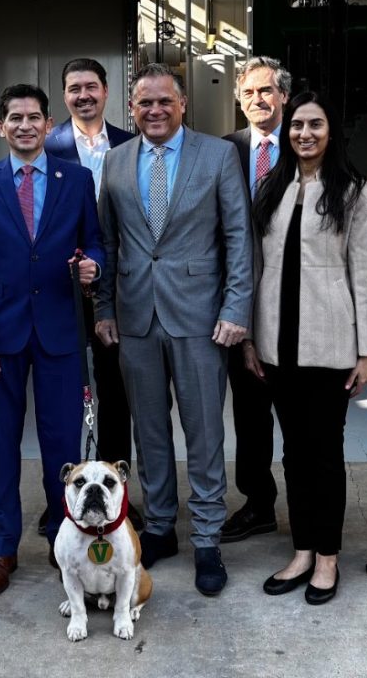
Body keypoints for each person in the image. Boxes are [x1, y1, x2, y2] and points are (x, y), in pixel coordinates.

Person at [94, 63, 252, 596]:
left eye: (164, 101)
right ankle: (160, 526)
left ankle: (207, 536)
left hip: (202, 318)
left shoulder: (218, 155)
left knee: (205, 429)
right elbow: (110, 245)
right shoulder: (115, 162)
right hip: (136, 316)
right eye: (144, 103)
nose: (154, 111)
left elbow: (238, 238)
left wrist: (236, 310)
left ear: (182, 104)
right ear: (131, 108)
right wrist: (103, 309)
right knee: (150, 431)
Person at [0, 83, 104, 596]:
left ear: (48, 125)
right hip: (0, 335)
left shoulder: (77, 180)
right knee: (2, 445)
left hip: (61, 330)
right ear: (1, 126)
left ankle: (60, 537)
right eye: (14, 117)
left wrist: (93, 267)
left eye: (34, 117)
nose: (24, 125)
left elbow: (97, 243)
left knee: (62, 446)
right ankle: (3, 547)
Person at [243, 91, 367, 605]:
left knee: (324, 454)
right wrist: (253, 338)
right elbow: (256, 269)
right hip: (278, 346)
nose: (304, 133)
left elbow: (364, 274)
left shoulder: (354, 191)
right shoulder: (270, 187)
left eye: (315, 124)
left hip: (331, 346)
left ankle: (327, 558)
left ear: (331, 131)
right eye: (297, 124)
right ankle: (301, 549)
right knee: (293, 453)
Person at [42, 57, 143, 532]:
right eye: (73, 88)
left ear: (106, 92)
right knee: (64, 395)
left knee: (115, 393)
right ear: (64, 96)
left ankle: (118, 495)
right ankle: (64, 497)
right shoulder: (45, 147)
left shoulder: (132, 143)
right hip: (61, 291)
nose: (83, 95)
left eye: (91, 86)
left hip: (119, 288)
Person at [220, 55, 291, 544]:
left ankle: (308, 505)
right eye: (247, 93)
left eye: (266, 91)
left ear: (284, 95)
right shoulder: (225, 150)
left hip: (297, 304)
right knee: (249, 414)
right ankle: (258, 502)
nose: (257, 100)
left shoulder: (310, 140)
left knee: (300, 413)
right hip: (239, 302)